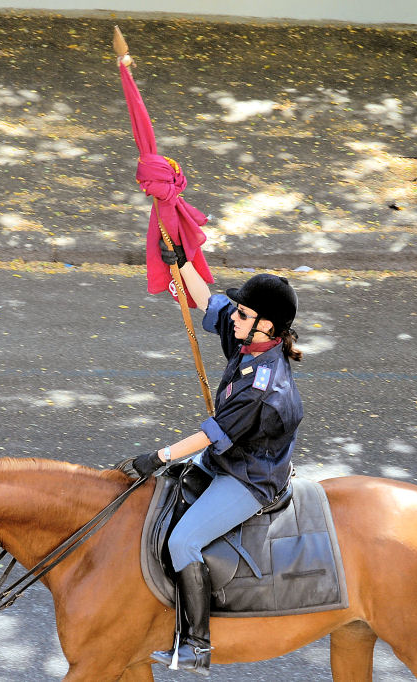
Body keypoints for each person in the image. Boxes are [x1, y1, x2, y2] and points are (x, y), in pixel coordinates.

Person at [130, 243, 304, 676]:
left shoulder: (266, 384)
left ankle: (197, 646)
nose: (235, 317)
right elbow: (211, 303)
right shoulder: (251, 341)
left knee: (182, 541)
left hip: (249, 477)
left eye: (243, 314)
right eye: (240, 312)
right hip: (227, 457)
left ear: (266, 327)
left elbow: (213, 434)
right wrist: (182, 259)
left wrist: (159, 455)